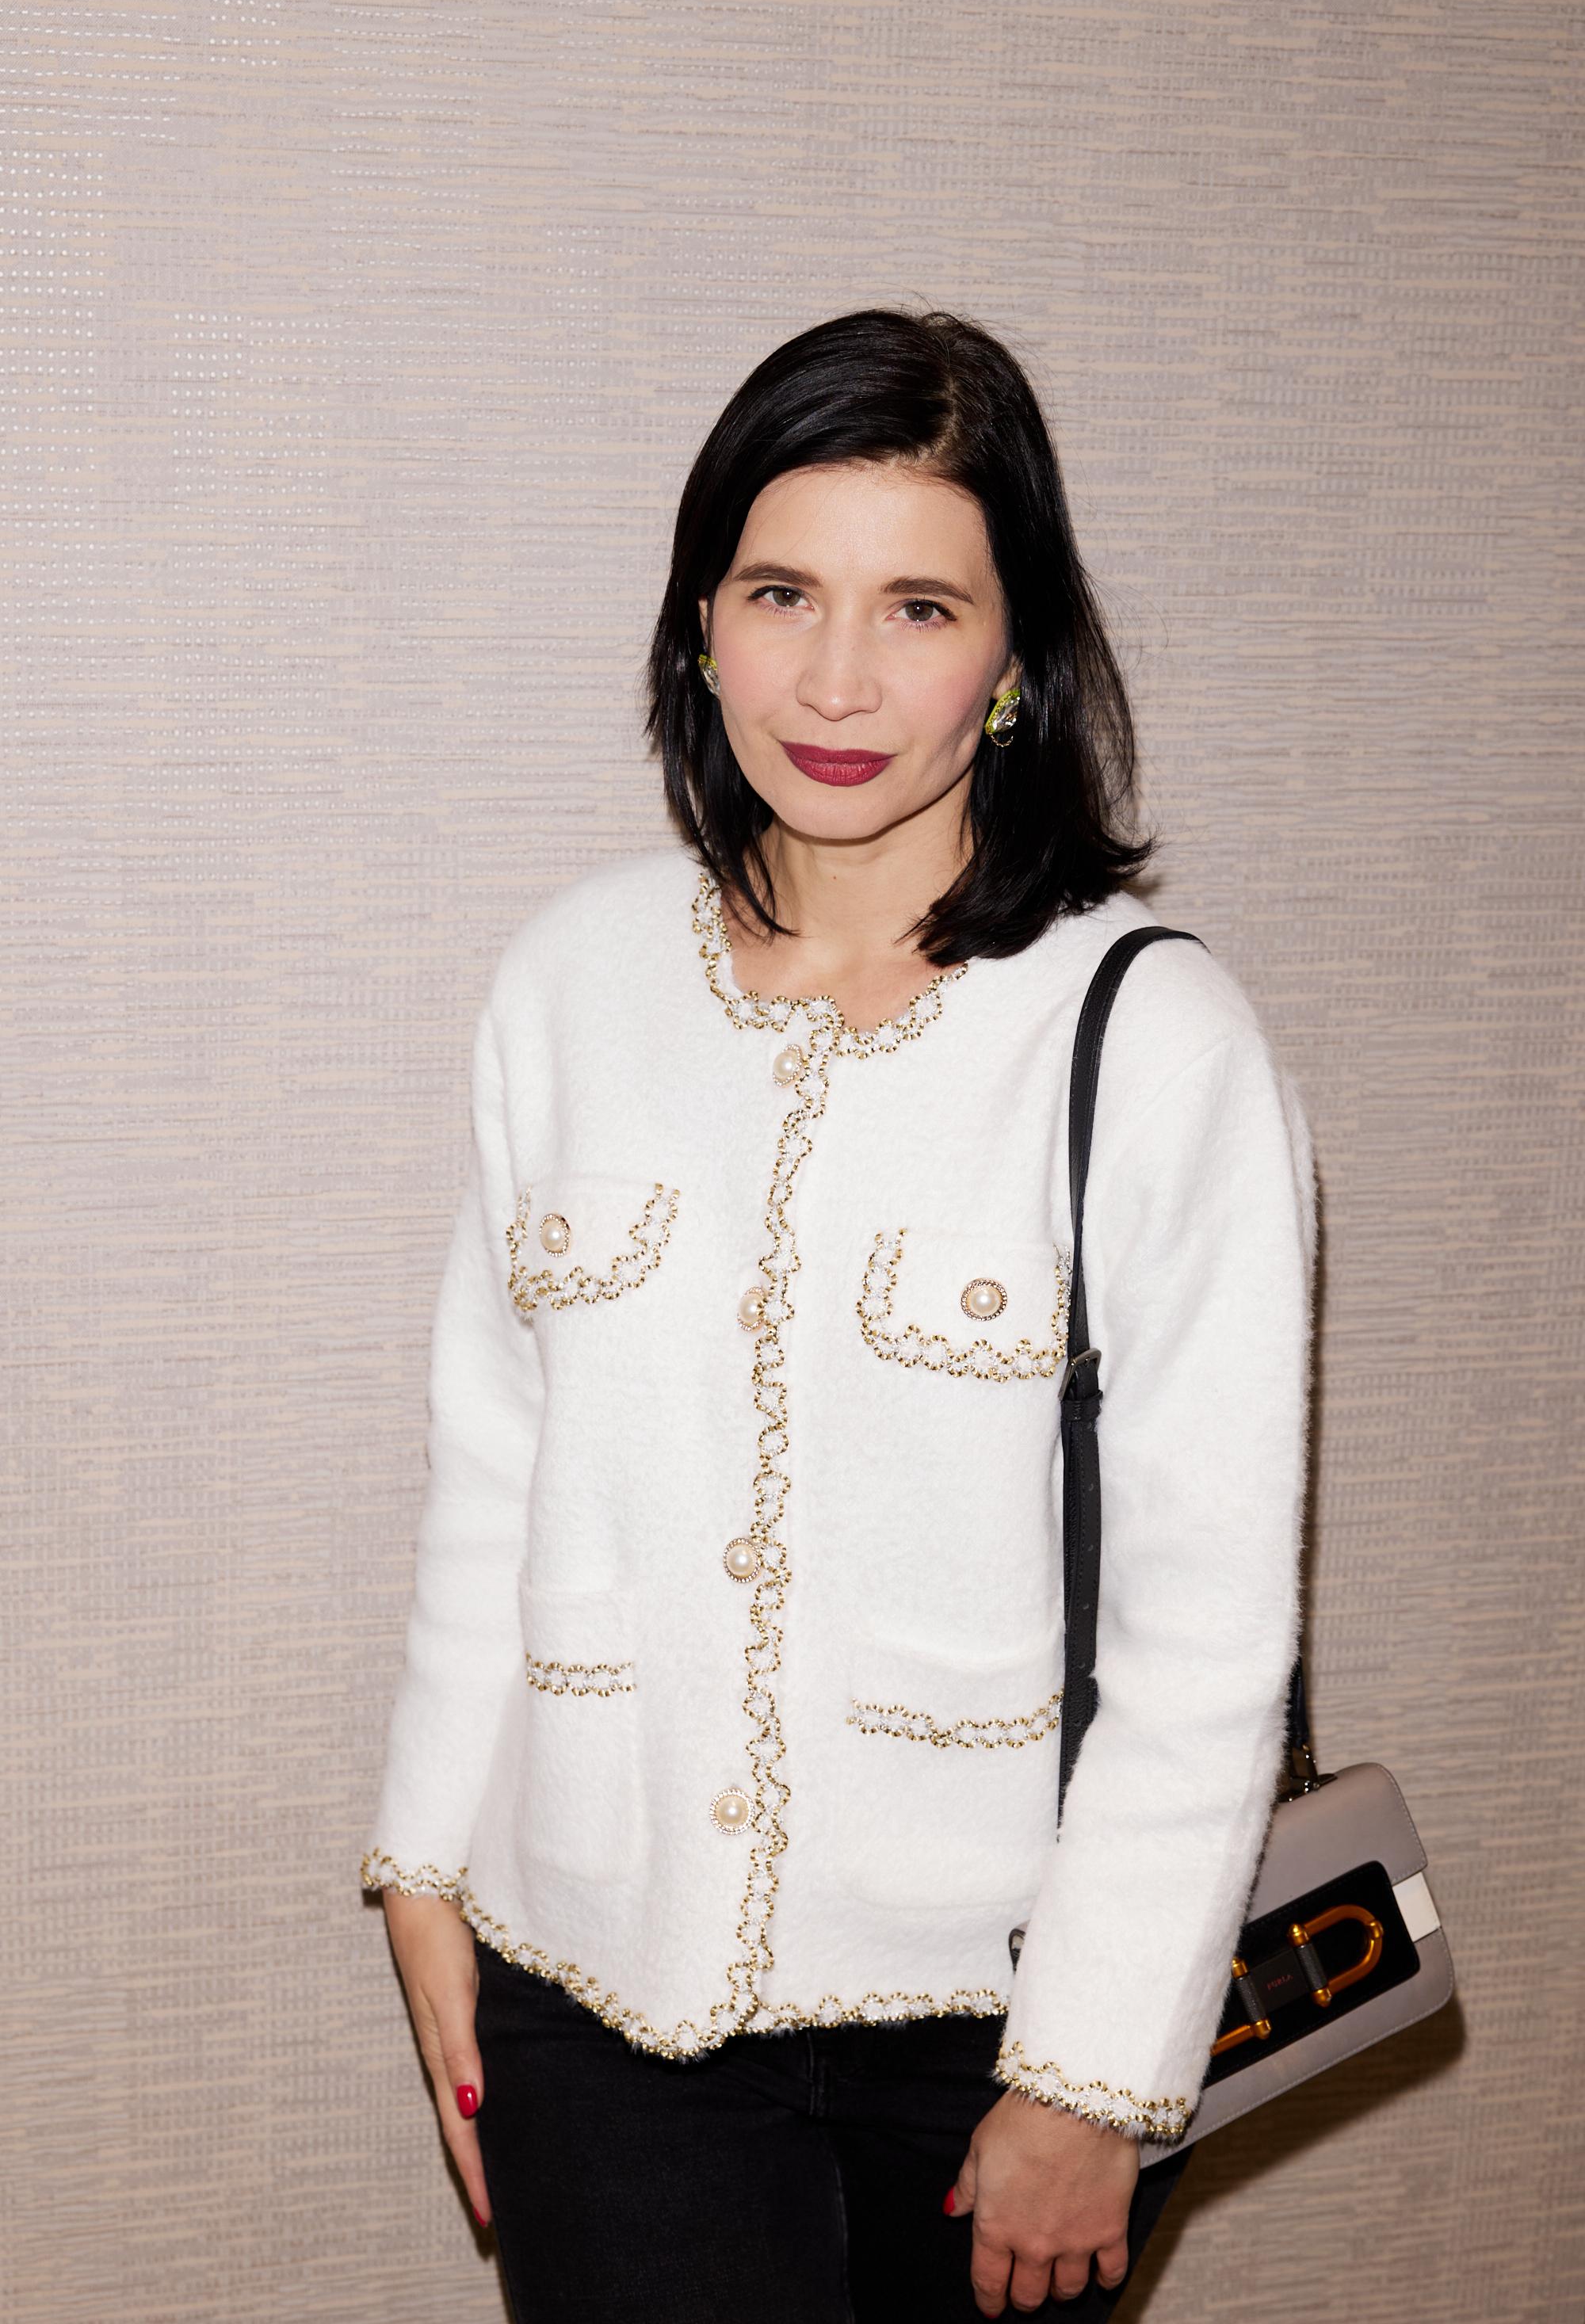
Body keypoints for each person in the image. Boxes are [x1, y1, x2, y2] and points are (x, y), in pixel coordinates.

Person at [360, 305, 1317, 2321]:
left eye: (920, 607)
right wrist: (422, 1866)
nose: (837, 678)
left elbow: (1206, 1618)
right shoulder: (569, 983)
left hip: (993, 2035)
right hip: (592, 1993)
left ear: (1017, 658)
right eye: (782, 592)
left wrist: (1097, 2073)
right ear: (699, 625)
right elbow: (492, 1475)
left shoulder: (1155, 1040)